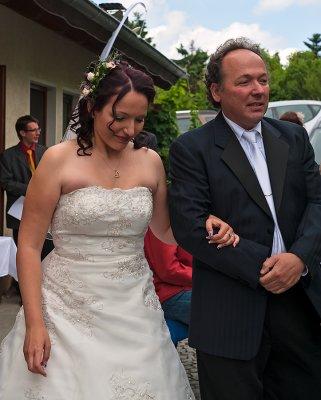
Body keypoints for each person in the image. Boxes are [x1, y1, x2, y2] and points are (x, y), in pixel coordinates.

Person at [0, 59, 237, 399]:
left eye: (139, 119)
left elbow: (167, 231)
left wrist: (205, 224)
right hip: (64, 307)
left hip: (133, 307)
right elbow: (29, 246)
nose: (129, 129)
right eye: (120, 116)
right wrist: (36, 323)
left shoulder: (150, 161)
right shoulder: (57, 160)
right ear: (93, 107)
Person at [169, 37, 321, 400]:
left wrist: (298, 260)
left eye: (263, 80)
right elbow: (191, 227)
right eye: (244, 82)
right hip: (230, 315)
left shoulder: (294, 137)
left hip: (299, 308)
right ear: (216, 91)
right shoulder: (192, 149)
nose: (258, 90)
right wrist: (269, 266)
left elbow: (317, 201)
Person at [0, 115, 53, 260]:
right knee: (24, 254)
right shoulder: (8, 155)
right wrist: (31, 189)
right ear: (22, 133)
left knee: (47, 252)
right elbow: (5, 182)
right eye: (33, 130)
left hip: (45, 211)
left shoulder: (47, 152)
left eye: (38, 129)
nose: (38, 133)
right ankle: (20, 283)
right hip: (19, 212)